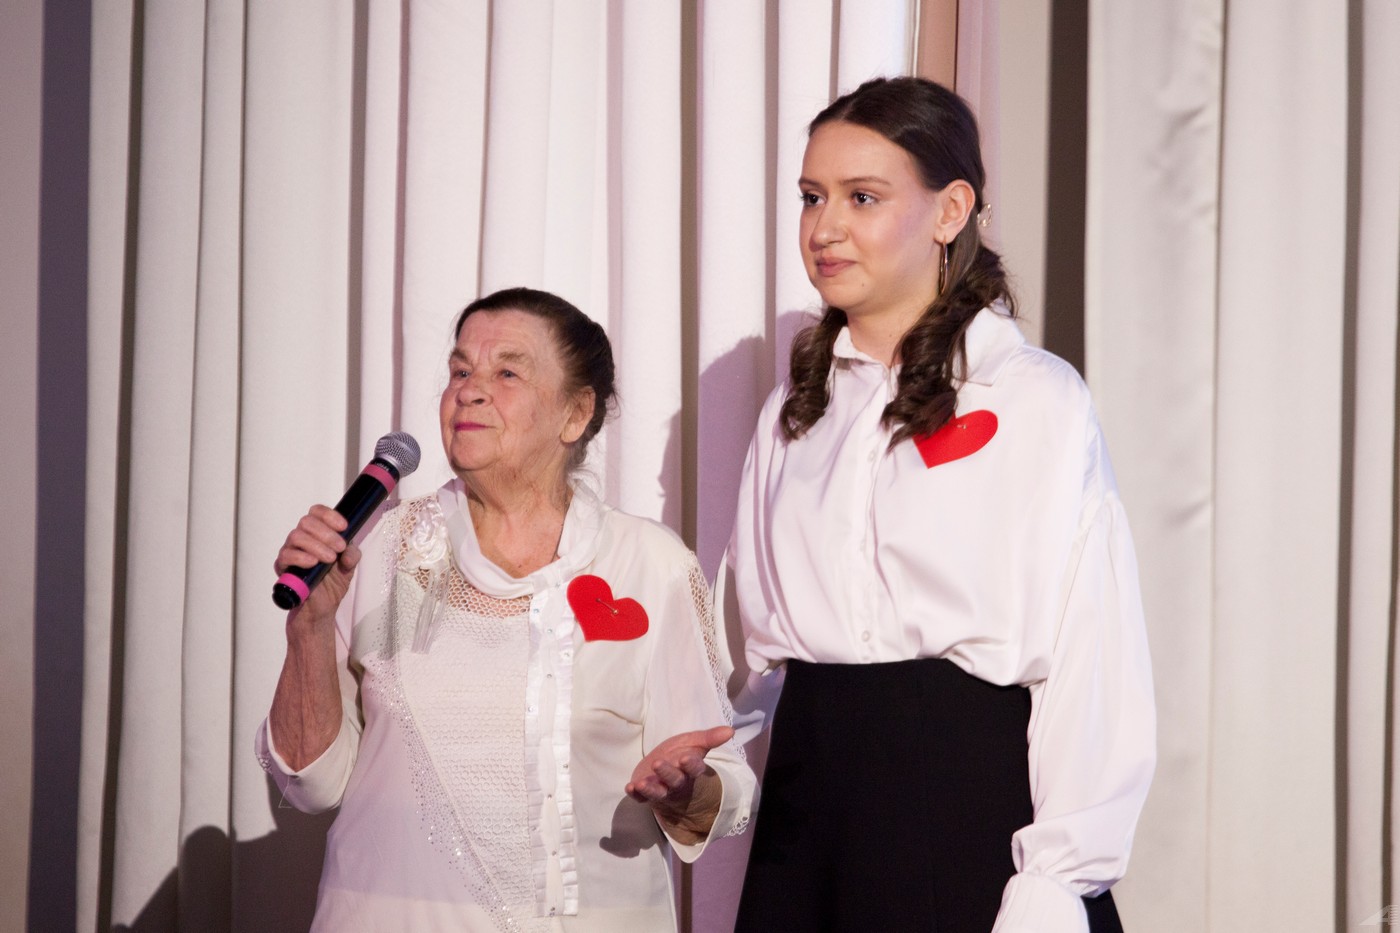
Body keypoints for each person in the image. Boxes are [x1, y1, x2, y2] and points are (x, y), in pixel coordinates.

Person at [726, 76, 1155, 933]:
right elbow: (765, 666)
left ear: (951, 210)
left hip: (967, 815)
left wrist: (1055, 881)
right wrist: (713, 775)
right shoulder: (791, 412)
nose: (824, 227)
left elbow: (1090, 653)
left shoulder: (1031, 397)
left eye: (862, 197)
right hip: (808, 830)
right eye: (811, 196)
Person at [255, 287, 753, 932]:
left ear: (575, 414)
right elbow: (311, 783)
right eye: (460, 371)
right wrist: (310, 628)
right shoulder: (379, 550)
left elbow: (724, 784)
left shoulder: (650, 564)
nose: (470, 391)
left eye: (507, 373)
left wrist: (688, 789)